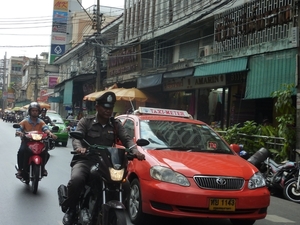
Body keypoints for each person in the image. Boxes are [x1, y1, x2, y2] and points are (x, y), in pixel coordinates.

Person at [61, 92, 145, 225]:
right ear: (97, 107)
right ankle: (71, 210)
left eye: (110, 108)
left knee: (126, 185)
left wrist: (135, 150)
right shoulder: (86, 122)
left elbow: (127, 139)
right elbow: (77, 138)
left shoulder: (116, 124)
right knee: (77, 180)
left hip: (106, 163)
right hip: (86, 160)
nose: (108, 110)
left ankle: (110, 208)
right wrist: (79, 148)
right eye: (105, 107)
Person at [15, 102, 57, 179]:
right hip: (26, 142)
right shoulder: (25, 121)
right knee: (21, 152)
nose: (34, 112)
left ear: (39, 112)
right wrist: (19, 132)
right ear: (30, 111)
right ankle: (20, 170)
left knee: (46, 154)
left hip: (39, 142)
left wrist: (50, 134)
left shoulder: (41, 122)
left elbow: (45, 128)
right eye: (33, 110)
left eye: (36, 110)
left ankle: (43, 167)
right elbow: (19, 128)